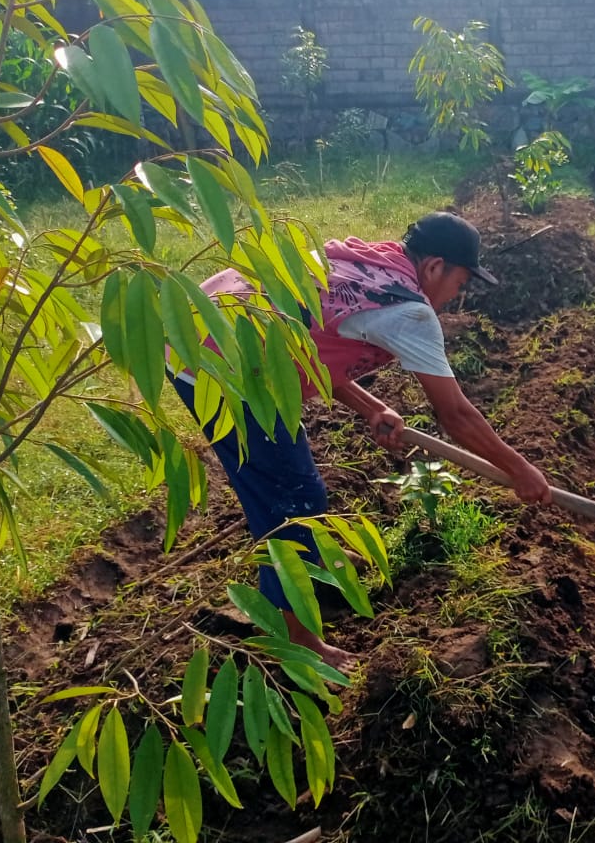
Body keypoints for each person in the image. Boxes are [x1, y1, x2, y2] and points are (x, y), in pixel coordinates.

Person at [170, 212, 551, 669]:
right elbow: (455, 414)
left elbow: (310, 336)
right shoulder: (407, 309)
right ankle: (299, 643)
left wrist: (372, 407)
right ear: (433, 268)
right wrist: (519, 469)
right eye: (460, 282)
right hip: (221, 365)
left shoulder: (377, 265)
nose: (457, 296)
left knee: (295, 483)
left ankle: (312, 559)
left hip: (216, 322)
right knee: (291, 503)